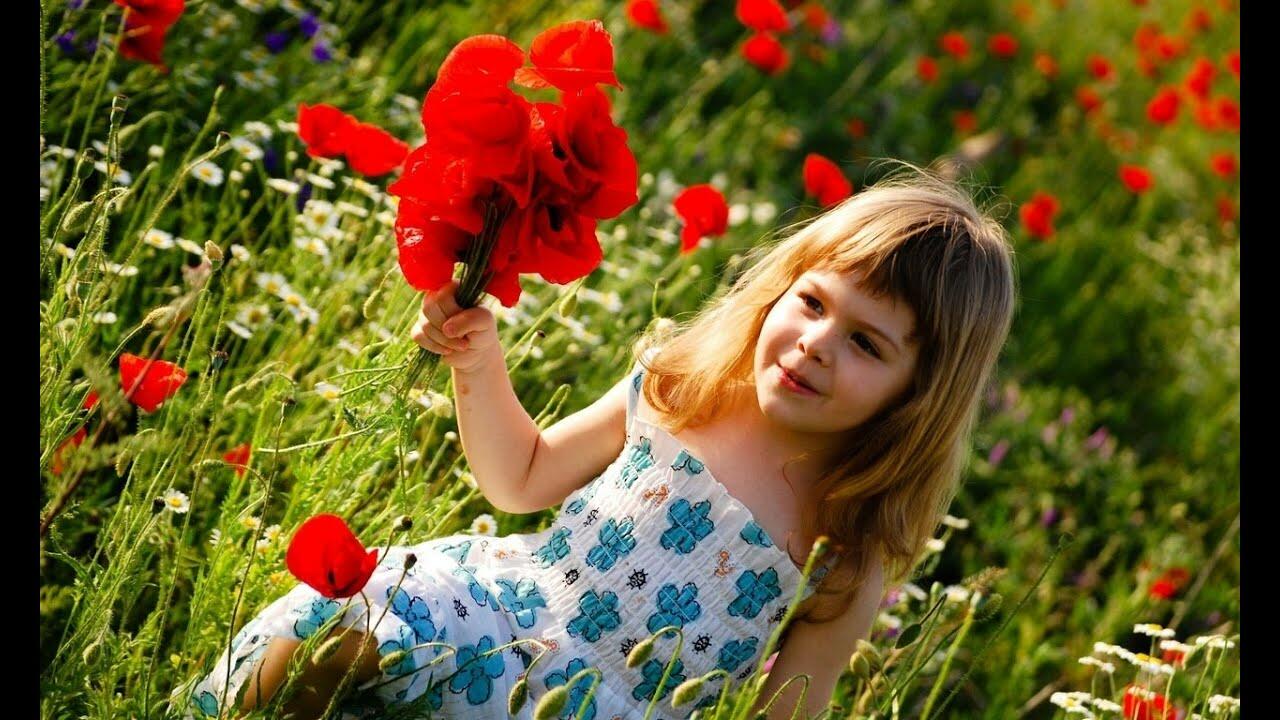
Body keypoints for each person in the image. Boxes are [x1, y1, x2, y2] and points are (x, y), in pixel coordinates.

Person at [183, 162, 1015, 719]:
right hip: (498, 615)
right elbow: (520, 478)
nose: (816, 344)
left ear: (919, 395)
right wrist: (479, 364)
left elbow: (787, 712)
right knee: (353, 624)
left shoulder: (846, 547)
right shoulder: (682, 392)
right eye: (812, 302)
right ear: (781, 287)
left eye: (866, 344)